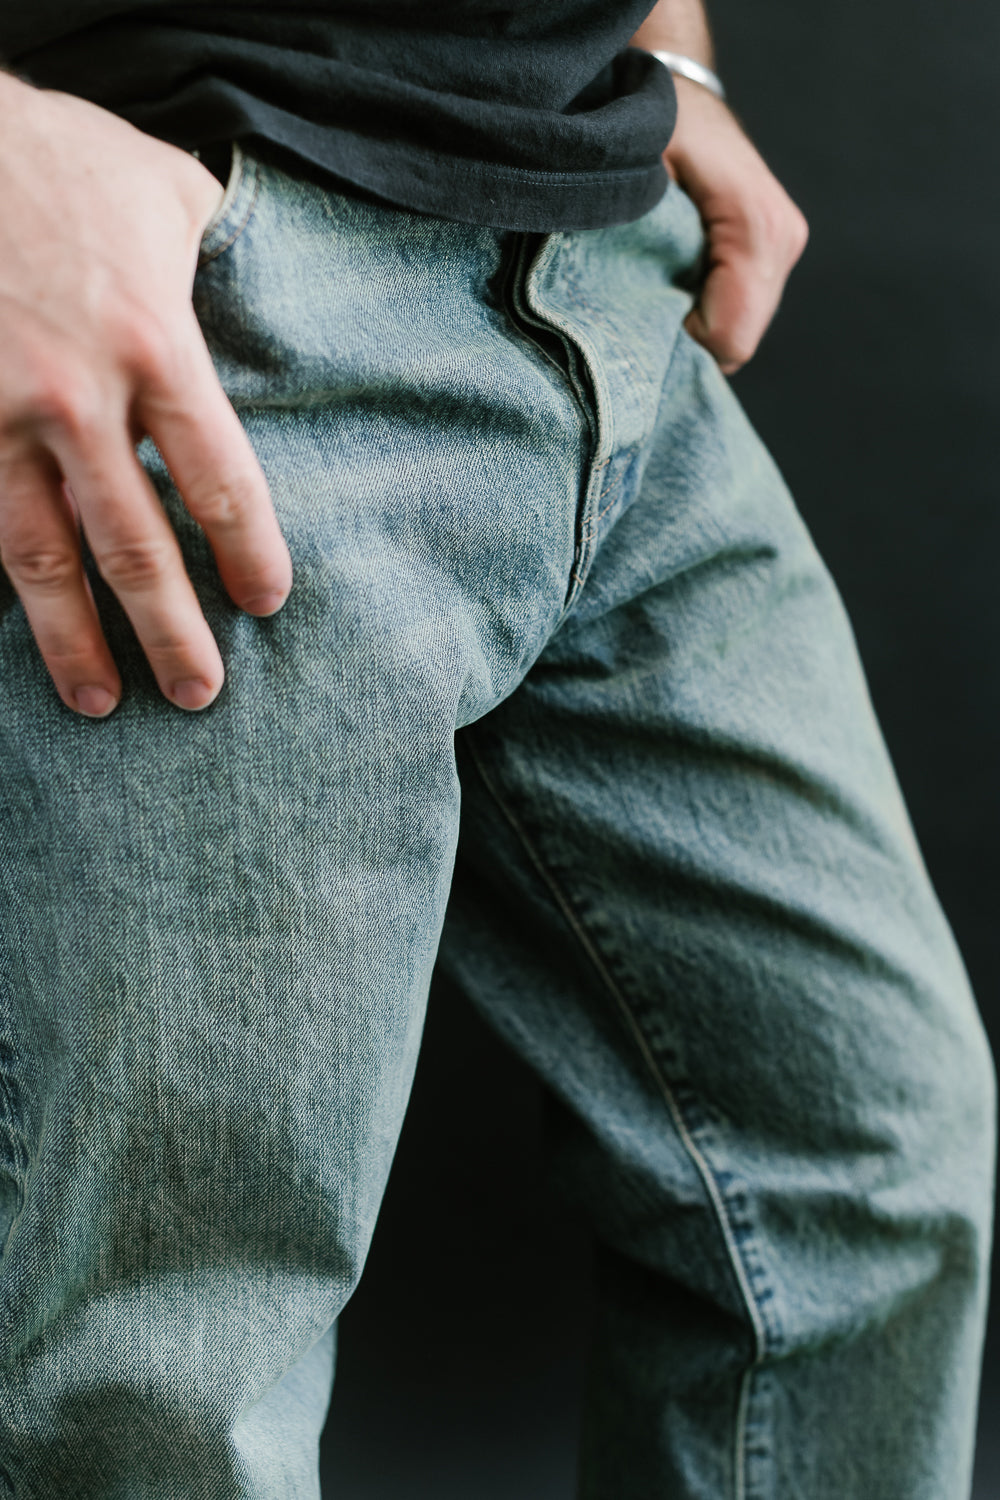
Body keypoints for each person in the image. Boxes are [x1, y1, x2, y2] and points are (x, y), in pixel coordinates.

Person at [0, 1, 994, 1495]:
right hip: (221, 284)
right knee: (168, 1384)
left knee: (860, 1183)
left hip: (603, 271)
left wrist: (665, 47)